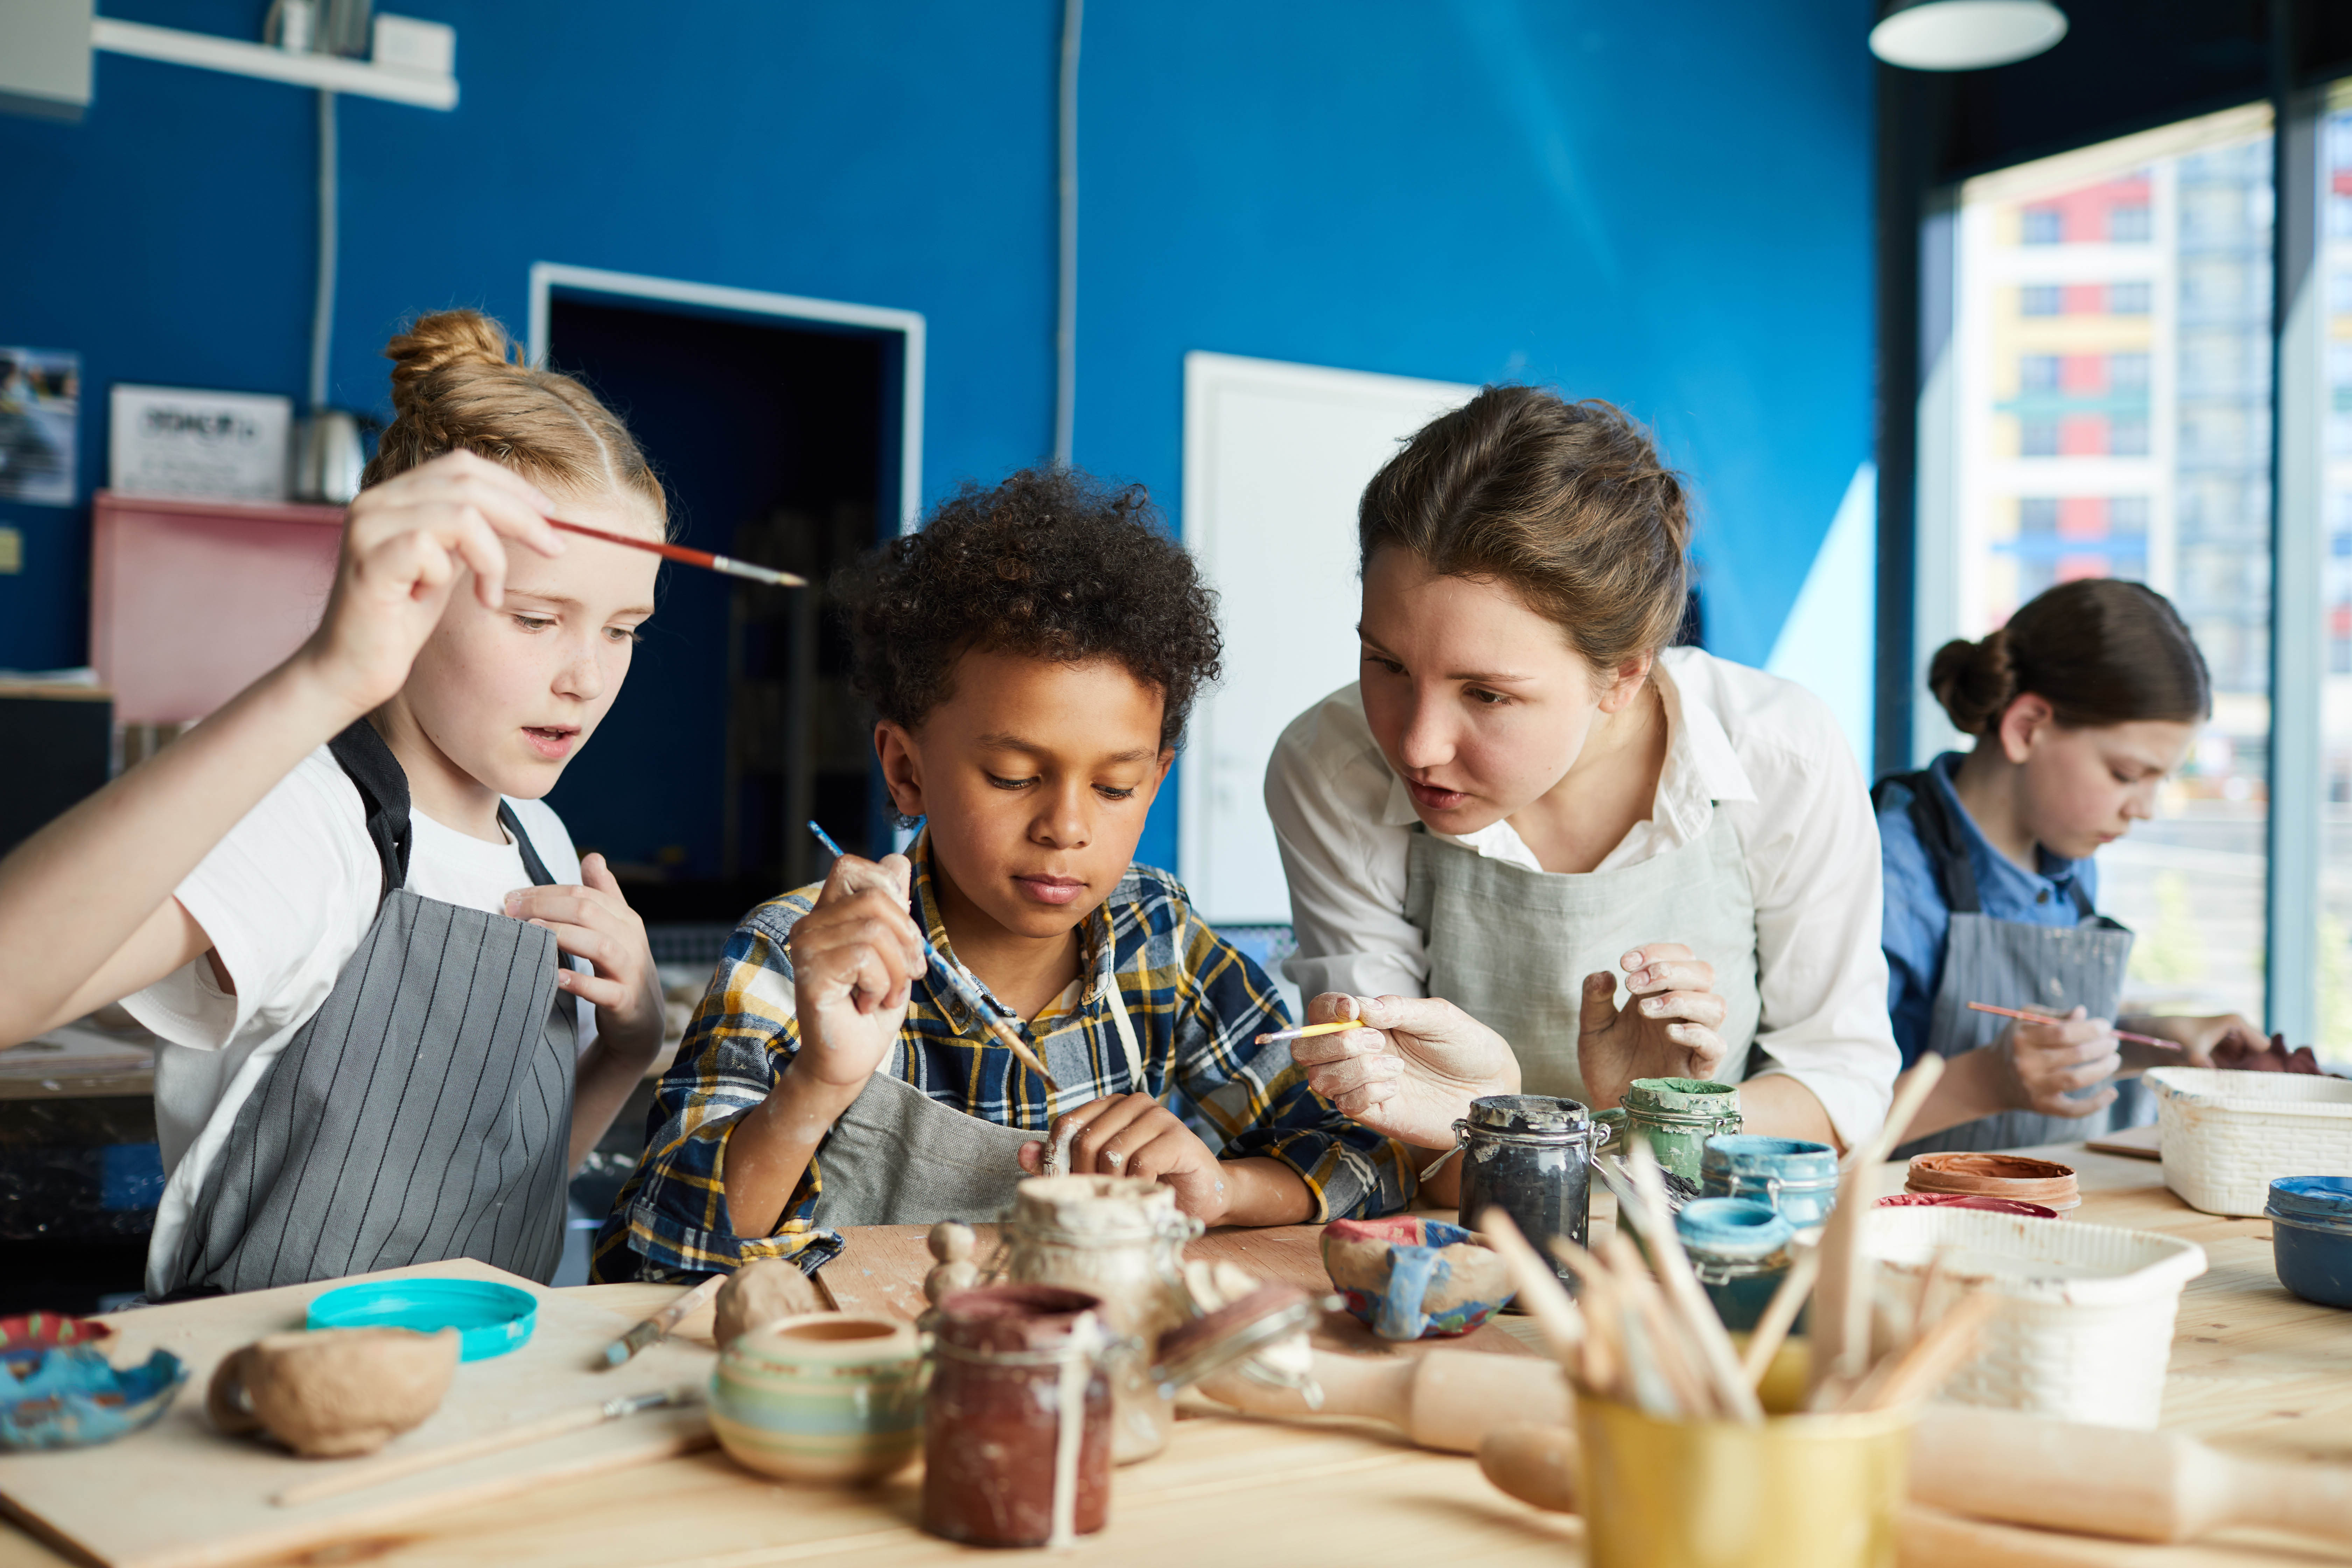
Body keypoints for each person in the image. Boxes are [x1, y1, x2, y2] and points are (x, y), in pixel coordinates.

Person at [594, 468, 1410, 1281]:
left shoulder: (1161, 941)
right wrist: (815, 1085)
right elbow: (650, 1255)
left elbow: (1365, 1154)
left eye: (1116, 786)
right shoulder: (796, 954)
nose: (1068, 826)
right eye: (1015, 776)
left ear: (1155, 781)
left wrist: (1222, 1187)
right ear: (907, 769)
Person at [0, 310, 670, 1298]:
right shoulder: (306, 820)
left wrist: (628, 1048)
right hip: (273, 1409)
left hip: (473, 1390)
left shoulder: (542, 841)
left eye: (624, 631)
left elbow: (493, 1191)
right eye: (537, 617)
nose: (586, 678)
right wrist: (324, 676)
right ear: (408, 585)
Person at [1262, 387, 1899, 1192]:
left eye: (1487, 694)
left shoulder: (1780, 755)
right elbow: (1387, 1120)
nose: (1416, 745)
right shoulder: (1330, 765)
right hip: (1465, 1247)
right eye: (1386, 664)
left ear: (1625, 675)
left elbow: (1840, 1085)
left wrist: (1647, 1117)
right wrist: (1629, 1131)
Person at [1878, 578, 2256, 1152]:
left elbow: (2037, 1051)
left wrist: (2162, 1042)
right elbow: (1808, 1123)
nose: (2147, 810)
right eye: (2128, 776)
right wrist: (1984, 1082)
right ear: (2028, 728)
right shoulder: (1882, 870)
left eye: (2163, 780)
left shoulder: (2071, 858)